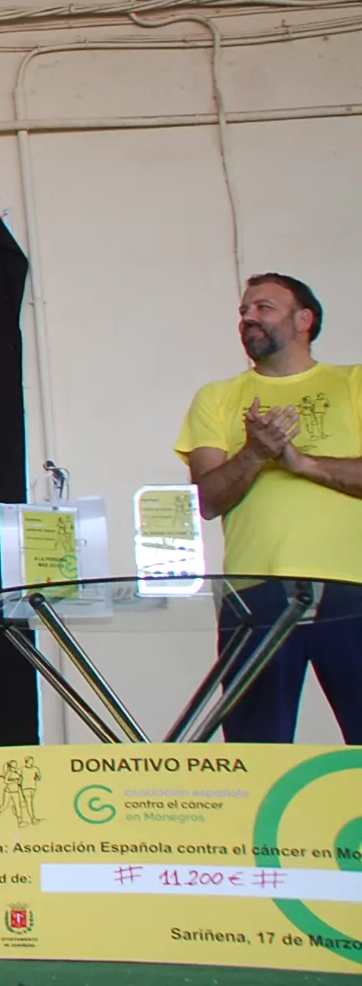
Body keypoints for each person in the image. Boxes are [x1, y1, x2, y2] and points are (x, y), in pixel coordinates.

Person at [176, 273, 362, 741]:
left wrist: (301, 462)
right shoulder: (217, 397)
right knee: (254, 751)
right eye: (244, 311)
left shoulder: (353, 384)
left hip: (353, 587)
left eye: (263, 308)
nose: (248, 319)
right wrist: (256, 453)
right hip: (254, 591)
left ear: (304, 319)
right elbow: (207, 501)